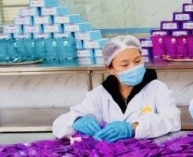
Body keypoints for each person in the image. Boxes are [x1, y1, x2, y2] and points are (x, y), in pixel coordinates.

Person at [52, 35, 180, 141]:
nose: (133, 68)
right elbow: (59, 125)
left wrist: (133, 127)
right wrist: (77, 121)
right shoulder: (98, 95)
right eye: (124, 65)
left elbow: (172, 120)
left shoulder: (157, 88)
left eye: (137, 61)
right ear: (110, 69)